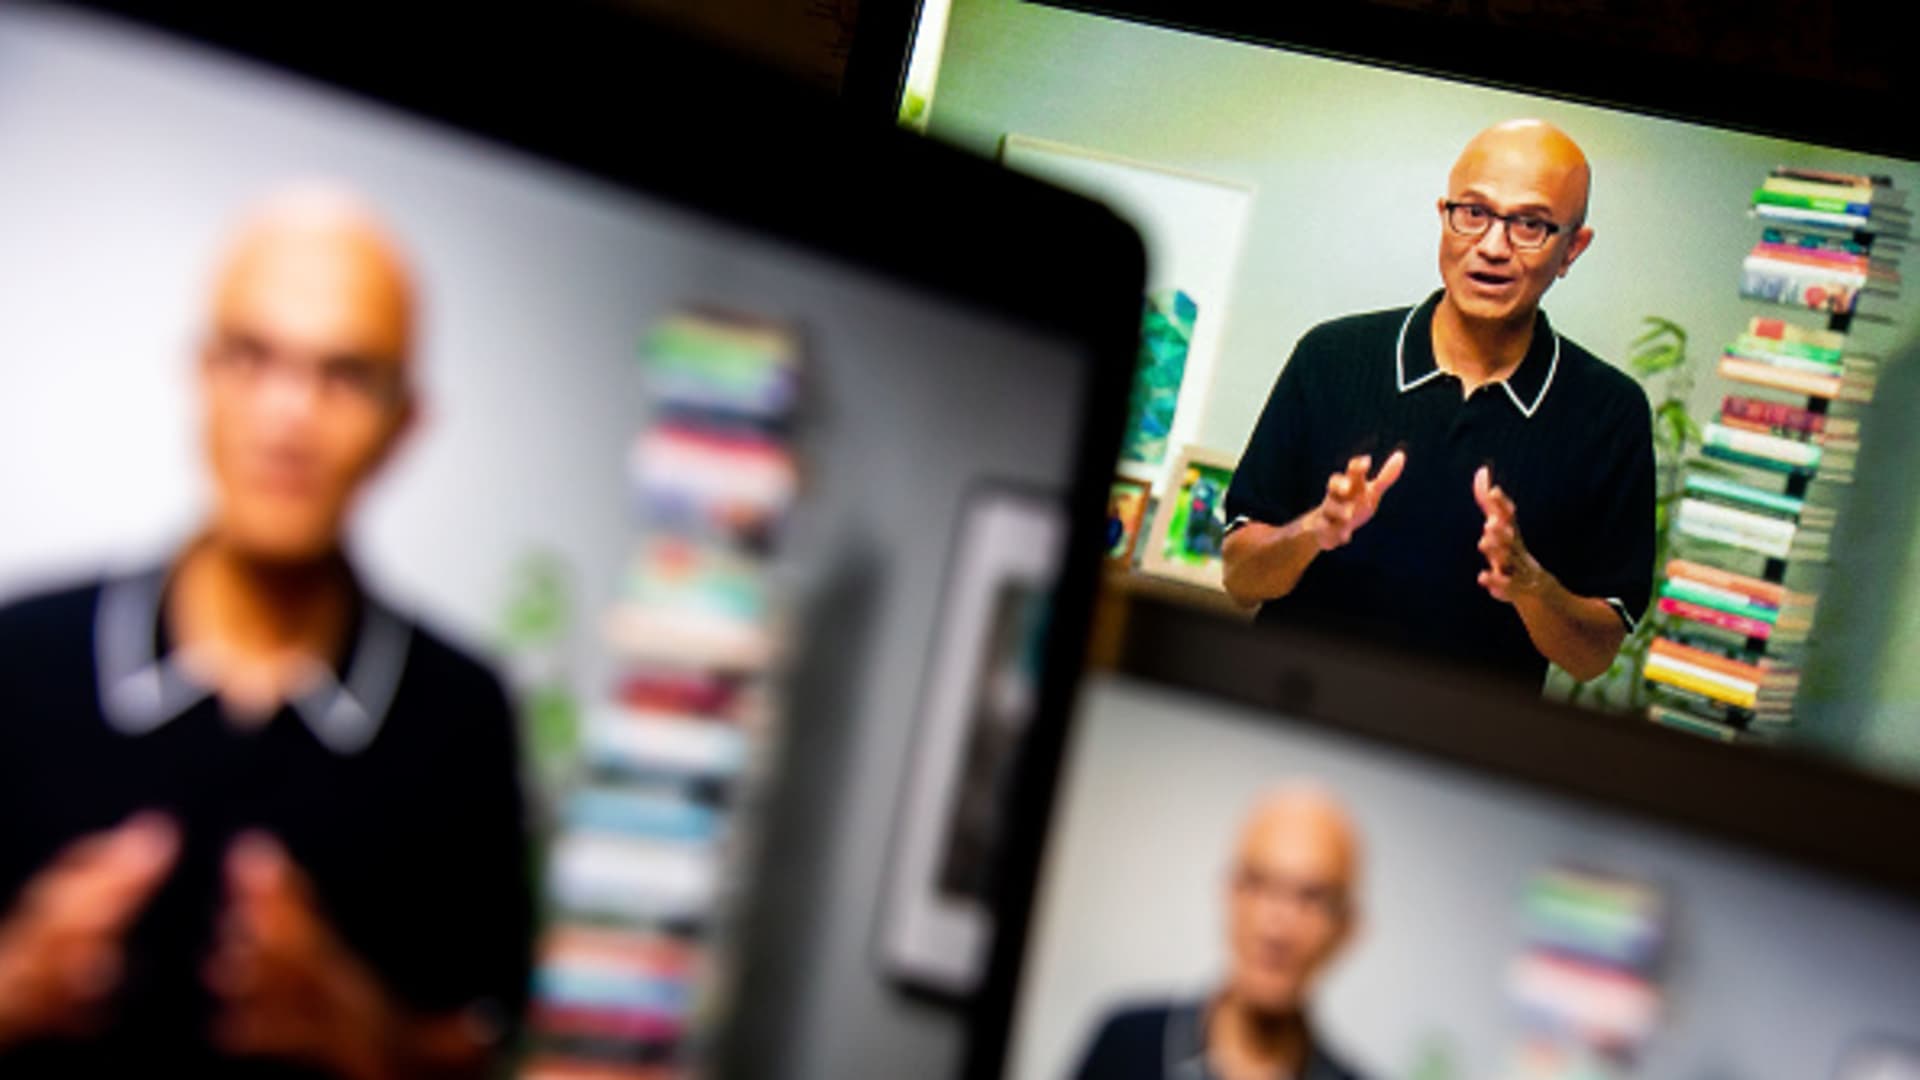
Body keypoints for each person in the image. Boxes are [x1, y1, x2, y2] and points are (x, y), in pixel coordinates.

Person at [0, 187, 532, 1078]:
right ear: (200, 373)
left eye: (347, 374)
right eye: (252, 356)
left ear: (406, 424)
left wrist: (366, 1035)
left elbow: (484, 1036)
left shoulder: (463, 717)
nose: (290, 416)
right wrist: (16, 983)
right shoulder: (20, 654)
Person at [1221, 119, 1654, 689]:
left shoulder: (1610, 412)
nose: (1492, 247)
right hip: (1293, 713)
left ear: (1572, 247)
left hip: (1462, 752)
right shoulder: (1330, 357)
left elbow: (1592, 655)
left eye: (1530, 224)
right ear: (1443, 215)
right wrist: (1314, 530)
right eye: (1472, 213)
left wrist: (1530, 584)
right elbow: (1241, 578)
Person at [1074, 786, 1367, 1080]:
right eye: (1260, 884)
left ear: (1346, 928)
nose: (1278, 927)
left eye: (1312, 897)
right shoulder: (1126, 1044)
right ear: (1229, 893)